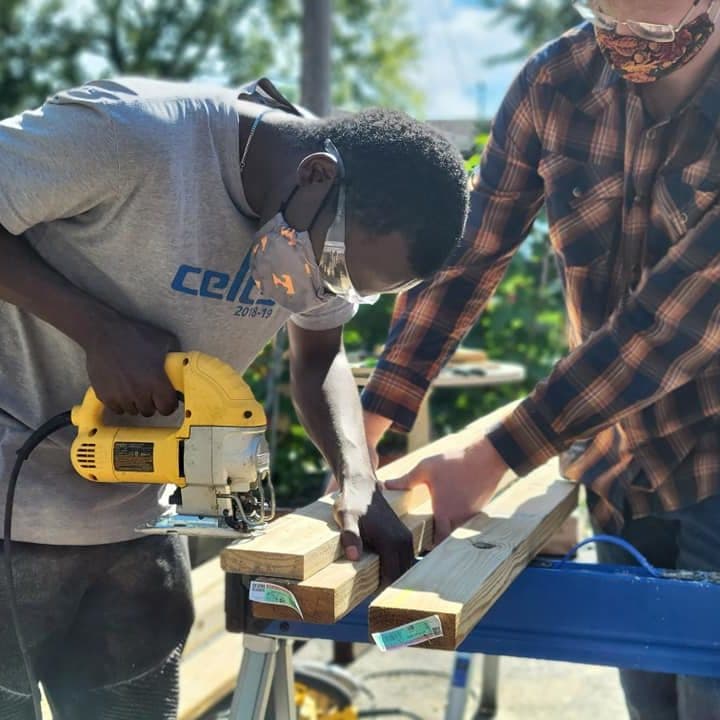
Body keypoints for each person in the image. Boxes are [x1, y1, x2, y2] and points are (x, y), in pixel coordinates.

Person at [0, 76, 468, 719]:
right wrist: (95, 328)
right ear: (315, 175)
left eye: (353, 289)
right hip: (9, 514)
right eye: (335, 270)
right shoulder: (130, 138)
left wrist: (356, 475)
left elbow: (320, 357)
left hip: (144, 520)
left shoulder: (335, 211)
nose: (326, 291)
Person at [361, 1, 720, 718]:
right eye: (602, 15)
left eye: (648, 30)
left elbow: (666, 331)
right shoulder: (554, 84)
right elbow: (466, 257)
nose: (623, 44)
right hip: (619, 468)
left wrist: (495, 455)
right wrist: (367, 429)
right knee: (650, 700)